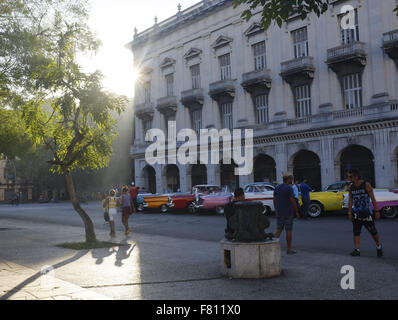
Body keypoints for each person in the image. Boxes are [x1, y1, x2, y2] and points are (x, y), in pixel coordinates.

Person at [347, 169, 383, 257]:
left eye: (350, 177)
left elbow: (373, 199)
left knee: (373, 231)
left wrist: (376, 210)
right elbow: (350, 200)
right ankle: (357, 250)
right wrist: (349, 212)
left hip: (367, 213)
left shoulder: (366, 185)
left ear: (356, 177)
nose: (349, 178)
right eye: (348, 177)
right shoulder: (351, 187)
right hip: (356, 213)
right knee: (356, 231)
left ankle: (379, 246)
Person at [273, 172, 301, 254]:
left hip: (279, 212)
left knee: (278, 230)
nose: (291, 180)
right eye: (291, 179)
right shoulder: (289, 188)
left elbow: (274, 199)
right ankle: (289, 249)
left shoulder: (277, 187)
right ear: (289, 179)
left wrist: (276, 209)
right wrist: (296, 211)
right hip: (288, 212)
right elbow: (293, 201)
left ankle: (271, 247)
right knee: (288, 230)